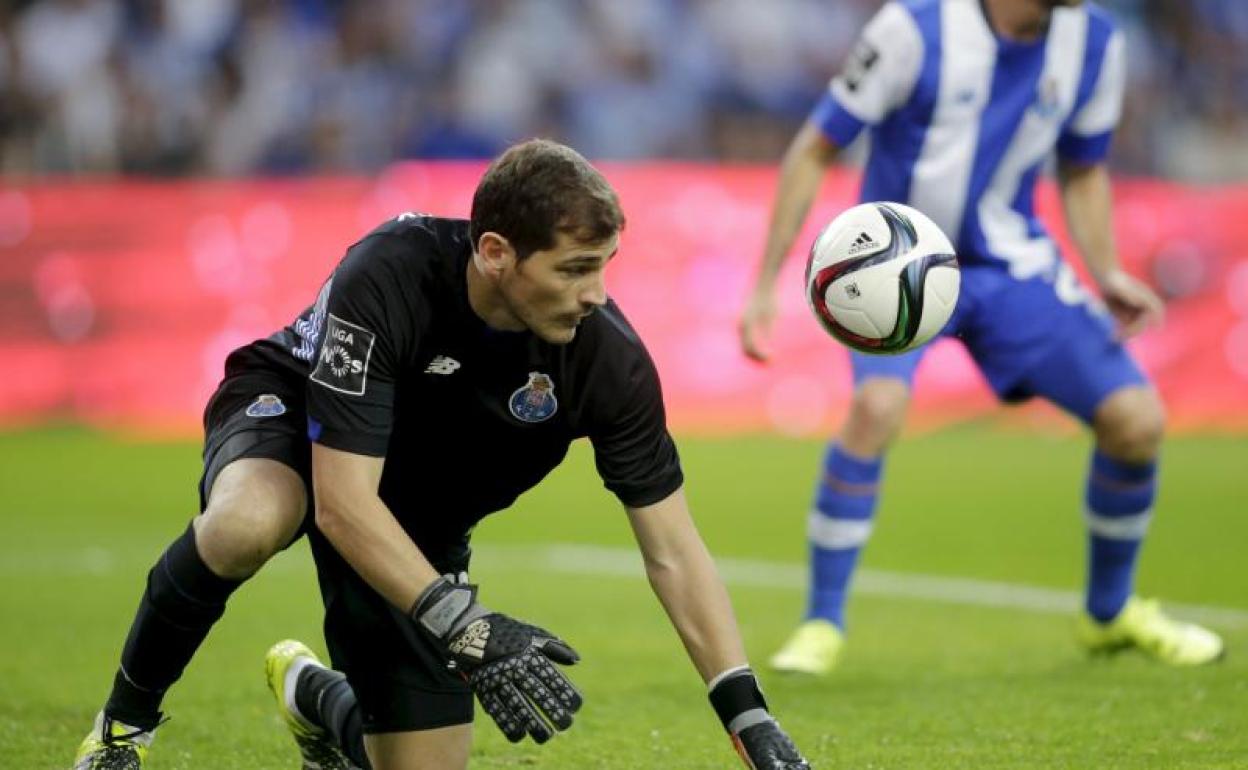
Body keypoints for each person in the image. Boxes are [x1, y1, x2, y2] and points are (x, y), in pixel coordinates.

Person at [74, 139, 811, 770]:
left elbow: (673, 549)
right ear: (495, 253)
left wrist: (749, 716)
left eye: (605, 266)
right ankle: (119, 731)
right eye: (574, 269)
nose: (596, 294)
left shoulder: (606, 361)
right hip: (305, 428)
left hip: (415, 509)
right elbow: (342, 502)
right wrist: (464, 623)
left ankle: (312, 695)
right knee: (249, 521)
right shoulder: (390, 275)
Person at [739, 0, 1224, 676]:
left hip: (1008, 266)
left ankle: (1108, 614)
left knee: (1137, 420)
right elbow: (816, 144)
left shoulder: (1097, 42)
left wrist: (1106, 267)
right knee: (877, 409)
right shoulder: (912, 28)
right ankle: (822, 621)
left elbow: (1082, 169)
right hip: (895, 266)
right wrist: (766, 283)